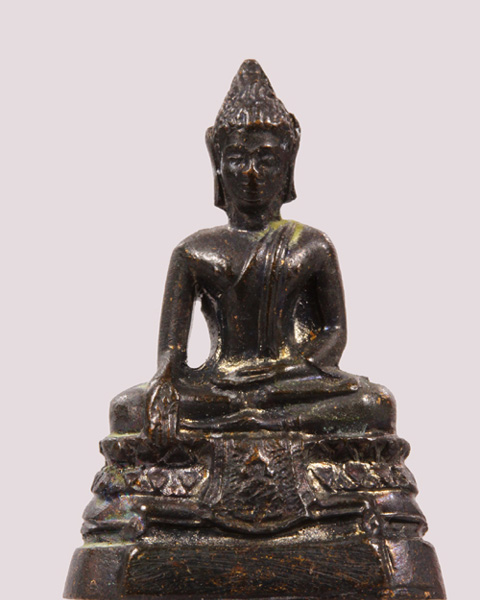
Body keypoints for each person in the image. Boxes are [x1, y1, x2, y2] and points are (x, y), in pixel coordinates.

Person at [110, 60, 395, 442]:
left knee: (375, 404)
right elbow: (171, 354)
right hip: (219, 385)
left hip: (289, 383)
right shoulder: (193, 252)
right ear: (217, 165)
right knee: (127, 408)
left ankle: (258, 417)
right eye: (237, 159)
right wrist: (166, 382)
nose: (251, 173)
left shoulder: (312, 245)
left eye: (266, 159)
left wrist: (287, 372)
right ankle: (262, 419)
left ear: (288, 164)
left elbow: (334, 332)